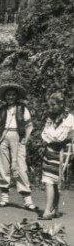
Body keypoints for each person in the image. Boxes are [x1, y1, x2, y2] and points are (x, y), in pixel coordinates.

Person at [0, 82, 37, 211]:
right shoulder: (1, 109)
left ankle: (27, 200)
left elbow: (29, 125)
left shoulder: (22, 108)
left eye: (13, 95)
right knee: (3, 167)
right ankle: (4, 197)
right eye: (8, 95)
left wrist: (25, 139)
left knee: (20, 167)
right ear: (5, 96)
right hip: (4, 137)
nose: (10, 97)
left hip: (17, 136)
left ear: (17, 96)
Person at [39, 92, 74, 220]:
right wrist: (54, 137)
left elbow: (63, 136)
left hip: (62, 152)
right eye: (50, 105)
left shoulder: (69, 118)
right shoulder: (50, 118)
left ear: (61, 104)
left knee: (53, 180)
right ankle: (53, 209)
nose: (51, 108)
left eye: (54, 105)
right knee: (50, 180)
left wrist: (55, 137)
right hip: (50, 150)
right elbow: (45, 134)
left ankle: (48, 210)